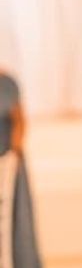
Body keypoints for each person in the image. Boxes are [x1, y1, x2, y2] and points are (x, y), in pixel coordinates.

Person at [0, 71, 43, 268]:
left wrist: (12, 154)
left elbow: (19, 121)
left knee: (14, 220)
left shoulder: (6, 83)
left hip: (7, 164)